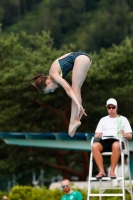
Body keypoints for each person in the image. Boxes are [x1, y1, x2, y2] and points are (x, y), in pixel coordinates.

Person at [28, 52, 92, 137]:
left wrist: (78, 103)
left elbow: (68, 89)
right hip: (84, 58)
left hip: (80, 58)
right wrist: (78, 104)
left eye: (49, 90)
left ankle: (73, 121)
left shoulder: (53, 75)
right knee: (77, 90)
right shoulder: (53, 74)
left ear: (47, 82)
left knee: (75, 90)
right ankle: (75, 120)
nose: (52, 91)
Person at [92, 98, 132, 179]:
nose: (111, 109)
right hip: (105, 140)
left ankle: (112, 171)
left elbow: (130, 136)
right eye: (109, 107)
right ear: (107, 108)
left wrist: (124, 134)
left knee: (116, 145)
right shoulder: (102, 120)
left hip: (118, 140)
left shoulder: (123, 119)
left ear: (116, 107)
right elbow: (97, 134)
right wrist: (97, 135)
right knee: (94, 146)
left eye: (113, 107)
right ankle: (101, 171)